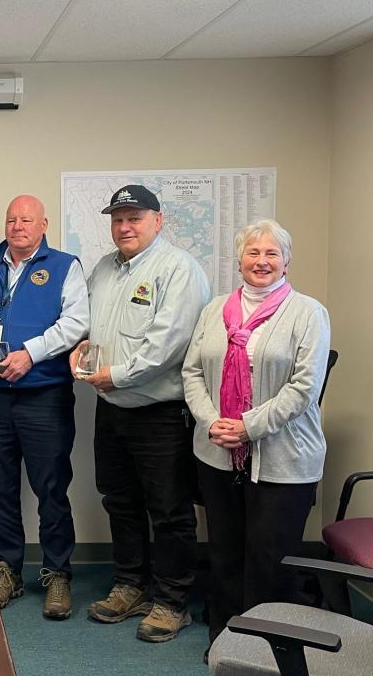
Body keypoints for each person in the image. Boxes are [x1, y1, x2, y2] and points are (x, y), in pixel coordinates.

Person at [182, 219, 330, 652]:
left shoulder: (309, 313)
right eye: (253, 252)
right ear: (239, 259)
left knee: (270, 561)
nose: (261, 261)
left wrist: (247, 426)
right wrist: (212, 421)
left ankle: (267, 649)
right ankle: (226, 641)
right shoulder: (214, 310)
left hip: (283, 457)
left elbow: (304, 388)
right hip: (217, 453)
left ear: (286, 261)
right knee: (226, 554)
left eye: (271, 253)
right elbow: (192, 372)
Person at [72, 184, 209, 642]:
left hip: (160, 413)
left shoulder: (178, 269)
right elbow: (89, 326)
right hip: (111, 408)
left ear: (157, 220)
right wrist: (80, 351)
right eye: (117, 219)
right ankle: (130, 584)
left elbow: (168, 345)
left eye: (134, 218)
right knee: (120, 500)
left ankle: (172, 601)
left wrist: (117, 374)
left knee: (169, 510)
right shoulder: (105, 269)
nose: (124, 227)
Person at [0, 194, 89, 620]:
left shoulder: (65, 266)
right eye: (11, 220)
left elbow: (76, 322)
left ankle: (57, 573)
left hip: (44, 394)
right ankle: (6, 568)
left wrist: (31, 352)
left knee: (50, 487)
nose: (17, 226)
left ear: (43, 224)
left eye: (26, 220)